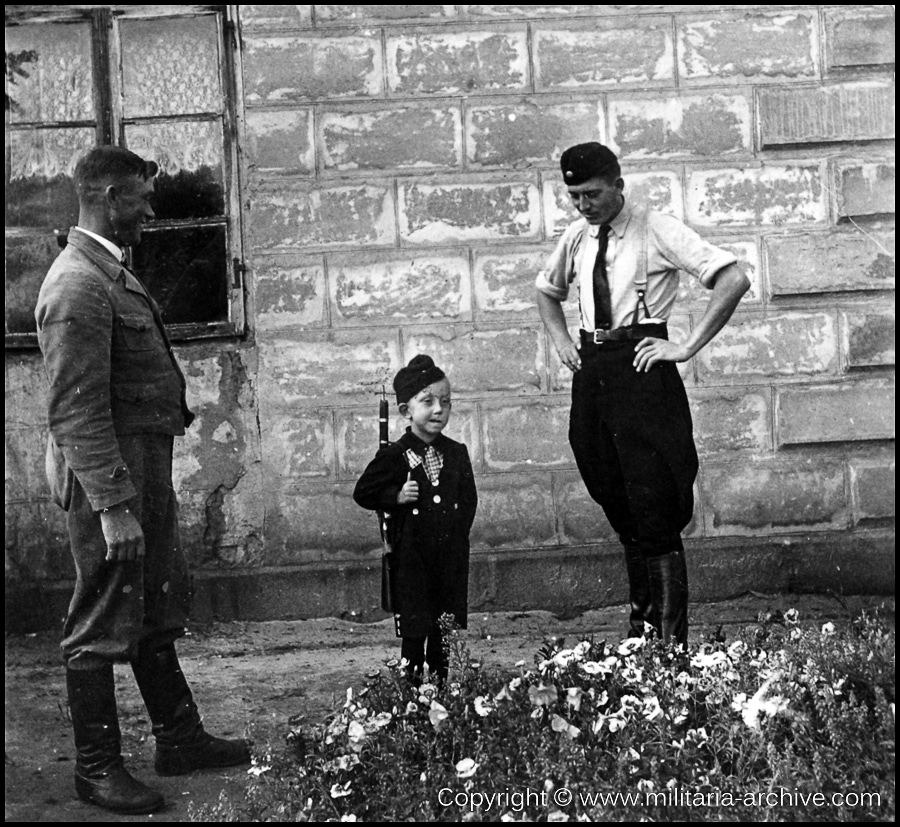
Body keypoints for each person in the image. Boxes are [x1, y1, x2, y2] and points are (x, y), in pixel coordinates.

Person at [34, 146, 250, 815]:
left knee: (156, 600)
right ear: (101, 196)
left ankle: (179, 738)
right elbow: (75, 408)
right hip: (108, 476)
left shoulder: (106, 269)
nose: (149, 211)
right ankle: (96, 768)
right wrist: (112, 506)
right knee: (100, 616)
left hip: (138, 467)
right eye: (139, 198)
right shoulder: (76, 284)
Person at [536, 142, 750, 647]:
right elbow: (547, 291)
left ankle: (670, 646)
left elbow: (732, 278)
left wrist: (685, 347)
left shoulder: (656, 228)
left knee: (653, 501)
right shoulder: (576, 237)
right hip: (595, 373)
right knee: (610, 486)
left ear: (617, 185)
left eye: (591, 194)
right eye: (574, 197)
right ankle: (642, 634)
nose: (584, 206)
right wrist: (563, 341)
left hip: (641, 371)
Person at [353, 355, 478, 683]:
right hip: (412, 563)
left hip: (448, 562)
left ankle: (437, 692)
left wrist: (452, 537)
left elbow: (468, 503)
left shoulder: (456, 452)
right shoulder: (394, 455)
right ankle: (413, 700)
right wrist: (395, 497)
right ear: (407, 411)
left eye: (446, 402)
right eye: (428, 402)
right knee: (414, 634)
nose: (439, 410)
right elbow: (363, 492)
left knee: (442, 633)